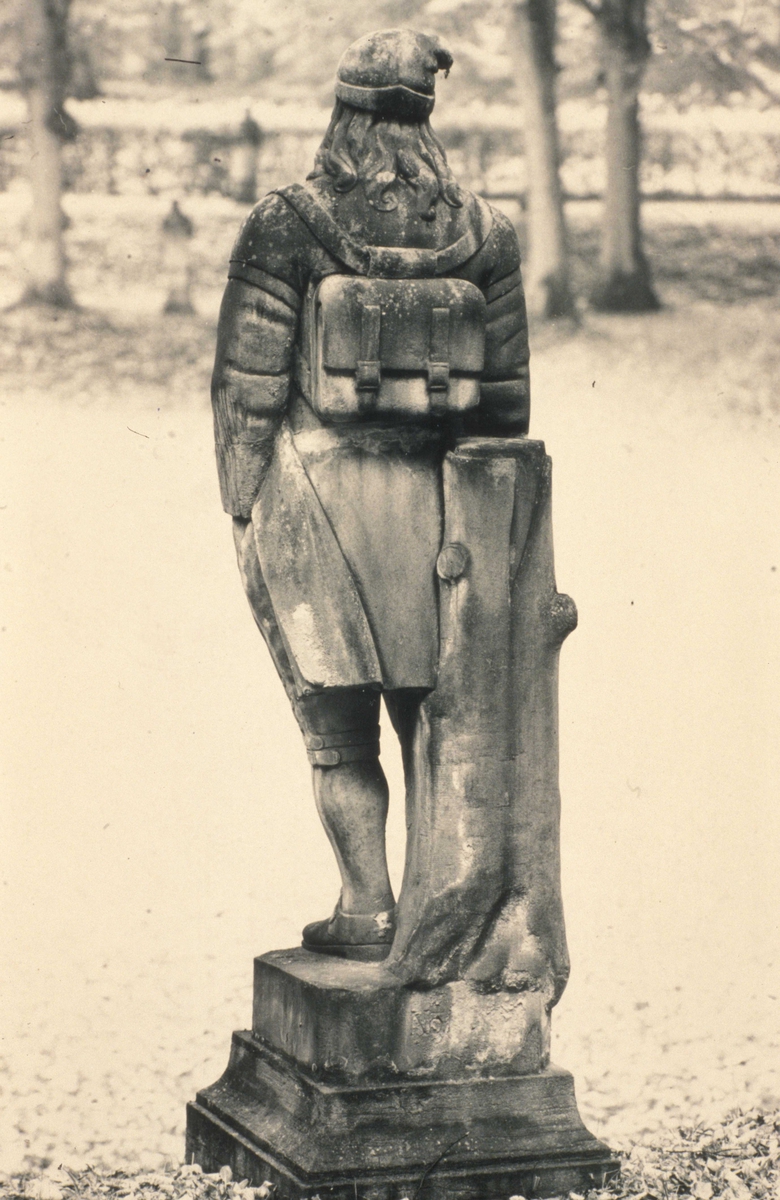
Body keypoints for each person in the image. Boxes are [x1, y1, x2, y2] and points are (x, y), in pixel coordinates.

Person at [211, 28, 531, 959]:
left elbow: (249, 384)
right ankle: (443, 909)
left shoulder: (286, 222)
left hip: (317, 504)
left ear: (343, 110)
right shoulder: (485, 233)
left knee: (338, 730)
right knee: (432, 721)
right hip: (438, 510)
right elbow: (504, 407)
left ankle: (366, 906)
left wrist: (241, 504)